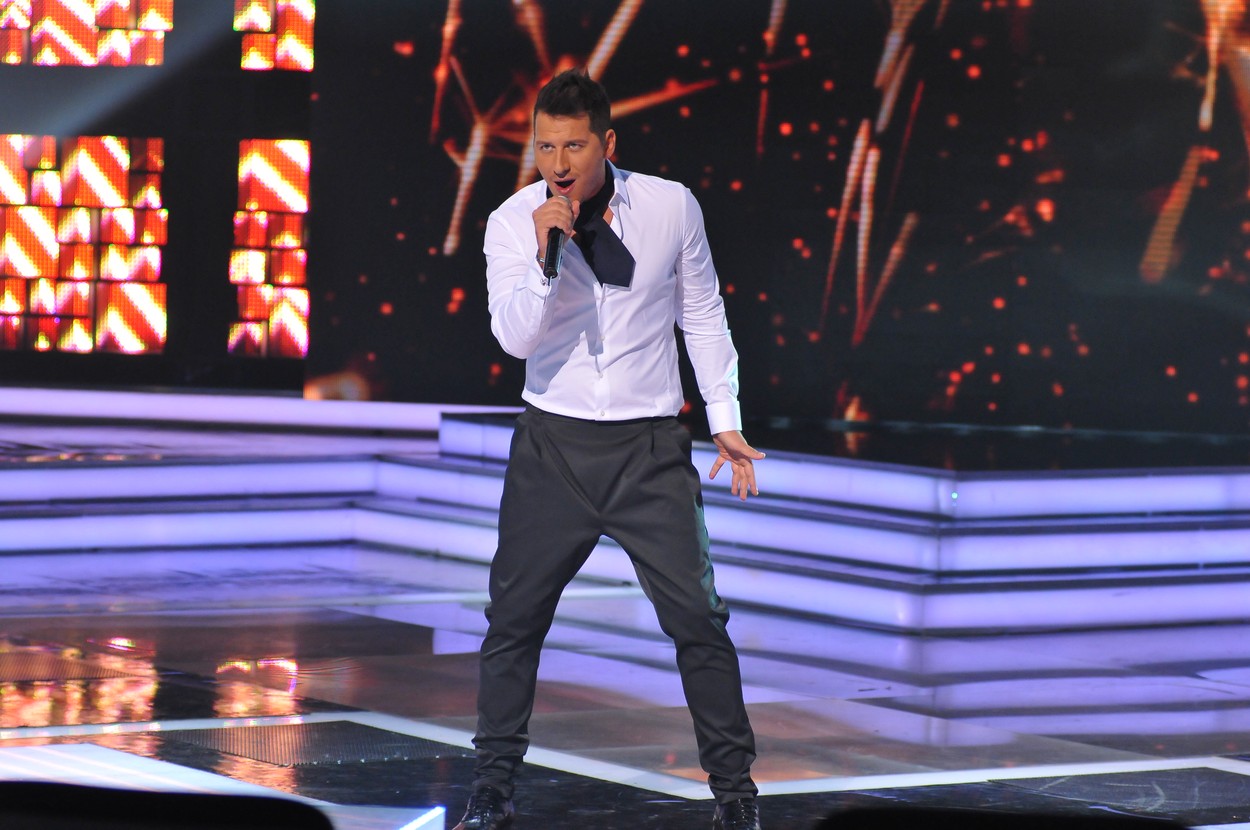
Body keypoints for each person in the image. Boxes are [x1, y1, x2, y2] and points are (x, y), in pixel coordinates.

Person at [453, 68, 765, 830]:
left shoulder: (670, 206)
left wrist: (723, 415)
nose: (557, 164)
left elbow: (702, 312)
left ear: (607, 144)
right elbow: (514, 337)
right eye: (544, 147)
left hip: (648, 451)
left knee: (699, 620)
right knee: (513, 621)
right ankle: (492, 789)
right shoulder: (511, 221)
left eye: (574, 147)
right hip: (552, 449)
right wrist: (544, 253)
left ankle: (736, 794)